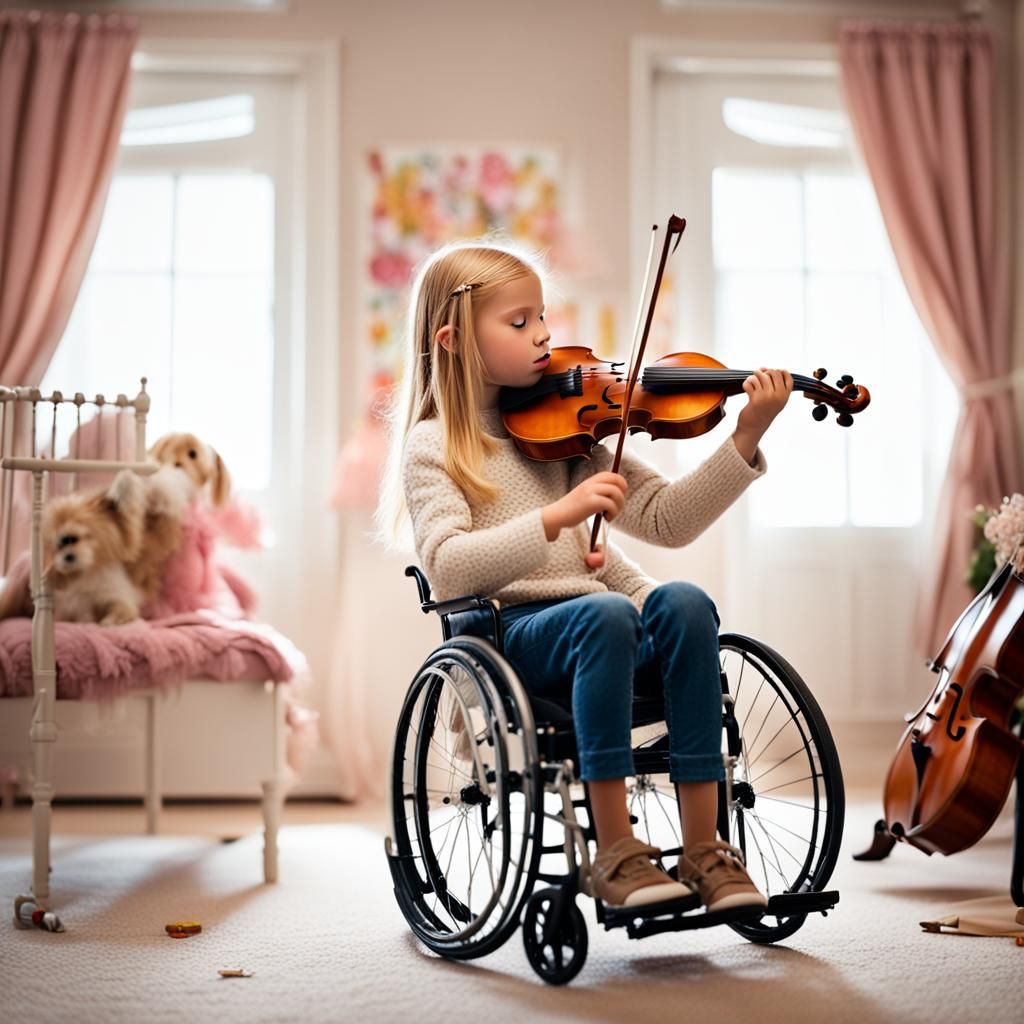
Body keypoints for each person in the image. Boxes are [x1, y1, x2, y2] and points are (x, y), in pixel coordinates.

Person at [378, 237, 793, 912]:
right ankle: (617, 850)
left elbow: (668, 519)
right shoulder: (436, 446)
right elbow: (450, 567)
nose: (544, 335)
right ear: (453, 339)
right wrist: (554, 519)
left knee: (684, 603)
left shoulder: (572, 430)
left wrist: (744, 436)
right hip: (514, 641)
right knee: (606, 614)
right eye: (519, 322)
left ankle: (704, 849)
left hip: (608, 625)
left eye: (541, 316)